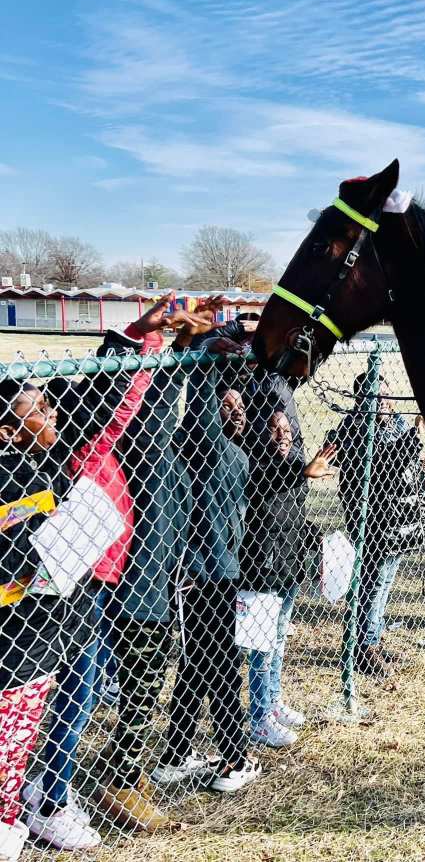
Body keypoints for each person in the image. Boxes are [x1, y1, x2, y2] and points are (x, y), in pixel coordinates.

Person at [3, 294, 181, 853]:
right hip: (20, 623)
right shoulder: (17, 469)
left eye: (52, 407)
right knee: (22, 715)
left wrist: (139, 338)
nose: (53, 413)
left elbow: (107, 405)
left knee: (75, 697)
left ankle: (47, 797)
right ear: (9, 430)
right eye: (38, 410)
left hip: (75, 599)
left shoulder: (58, 455)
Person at [88, 300, 218, 832]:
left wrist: (190, 348)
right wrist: (144, 339)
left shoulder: (168, 447)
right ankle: (119, 780)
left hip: (160, 576)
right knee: (141, 681)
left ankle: (127, 770)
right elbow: (129, 403)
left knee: (151, 678)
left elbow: (171, 400)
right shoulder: (143, 447)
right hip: (138, 582)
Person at [153, 354, 259, 794]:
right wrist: (205, 364)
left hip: (223, 572)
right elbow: (200, 419)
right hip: (201, 575)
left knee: (200, 665)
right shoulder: (201, 448)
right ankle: (235, 758)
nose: (238, 414)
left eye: (241, 407)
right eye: (227, 408)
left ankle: (176, 754)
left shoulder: (237, 454)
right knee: (220, 667)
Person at [240, 409, 336, 747]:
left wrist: (318, 540)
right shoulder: (252, 463)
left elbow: (294, 517)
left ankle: (274, 701)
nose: (282, 435)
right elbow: (265, 483)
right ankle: (259, 717)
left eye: (286, 430)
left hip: (288, 567)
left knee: (279, 640)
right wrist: (303, 472)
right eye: (273, 429)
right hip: (262, 570)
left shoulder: (294, 470)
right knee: (262, 649)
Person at [331, 374, 424, 676]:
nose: (384, 400)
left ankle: (373, 638)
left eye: (386, 394)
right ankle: (362, 649)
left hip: (397, 519)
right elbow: (384, 464)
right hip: (370, 520)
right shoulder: (356, 427)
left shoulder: (392, 422)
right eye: (376, 395)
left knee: (385, 582)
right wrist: (413, 436)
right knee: (370, 584)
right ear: (361, 398)